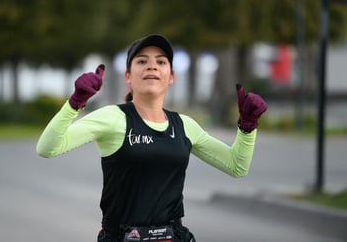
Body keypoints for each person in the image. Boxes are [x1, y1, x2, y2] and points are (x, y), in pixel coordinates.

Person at [36, 34, 267, 242]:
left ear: (171, 77)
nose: (152, 66)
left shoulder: (185, 125)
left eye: (161, 61)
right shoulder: (113, 118)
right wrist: (74, 103)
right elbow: (47, 148)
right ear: (128, 76)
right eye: (142, 61)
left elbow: (237, 166)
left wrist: (247, 127)